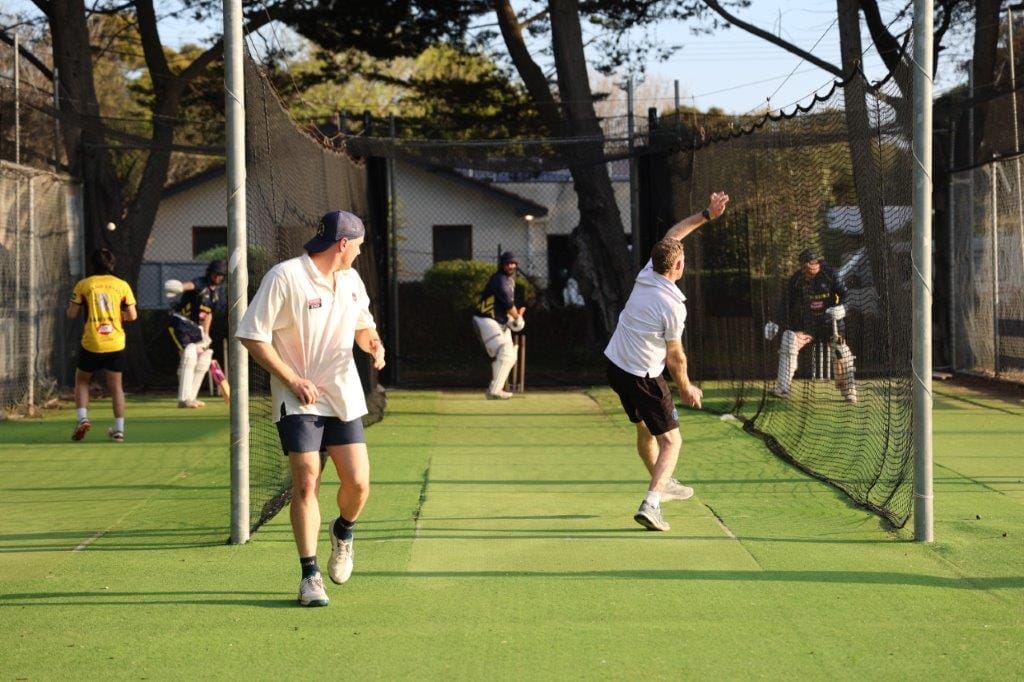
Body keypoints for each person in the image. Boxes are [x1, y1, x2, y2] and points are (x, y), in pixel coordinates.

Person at [236, 210, 385, 608]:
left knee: (358, 483)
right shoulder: (285, 277)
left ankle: (344, 531)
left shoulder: (351, 280)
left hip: (344, 397)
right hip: (297, 398)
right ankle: (309, 575)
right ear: (343, 244)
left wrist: (373, 343)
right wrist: (292, 379)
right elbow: (252, 335)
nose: (359, 250)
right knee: (306, 481)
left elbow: (362, 324)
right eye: (358, 244)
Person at [605, 192, 729, 532]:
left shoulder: (648, 272)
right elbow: (676, 357)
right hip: (643, 376)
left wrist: (706, 214)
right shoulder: (673, 305)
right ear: (677, 266)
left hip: (615, 365)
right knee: (672, 441)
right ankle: (652, 503)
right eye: (682, 259)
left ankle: (664, 481)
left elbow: (674, 235)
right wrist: (687, 388)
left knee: (644, 429)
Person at [763, 249, 857, 402]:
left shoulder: (831, 275)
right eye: (803, 267)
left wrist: (843, 308)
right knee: (788, 339)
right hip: (808, 326)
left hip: (830, 325)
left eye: (809, 267)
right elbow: (786, 304)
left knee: (843, 352)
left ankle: (849, 392)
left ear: (817, 263)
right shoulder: (797, 279)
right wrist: (775, 322)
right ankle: (782, 388)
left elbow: (847, 295)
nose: (806, 271)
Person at [66, 248, 138, 443]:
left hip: (92, 342)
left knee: (82, 381)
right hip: (115, 342)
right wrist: (116, 316)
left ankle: (82, 419)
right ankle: (119, 430)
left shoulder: (84, 285)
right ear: (112, 264)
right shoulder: (122, 285)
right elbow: (132, 316)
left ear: (92, 265)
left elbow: (71, 314)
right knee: (116, 387)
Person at [163, 260, 227, 408]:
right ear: (210, 272)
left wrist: (205, 335)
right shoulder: (201, 283)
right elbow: (189, 285)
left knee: (205, 356)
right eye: (216, 274)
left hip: (195, 329)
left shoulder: (215, 294)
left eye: (221, 275)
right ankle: (184, 399)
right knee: (190, 354)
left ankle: (191, 397)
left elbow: (208, 315)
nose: (218, 277)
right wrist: (179, 287)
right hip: (179, 322)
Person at [473, 251, 525, 400]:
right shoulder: (500, 281)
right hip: (485, 320)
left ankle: (495, 389)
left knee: (510, 356)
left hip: (498, 321)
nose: (511, 266)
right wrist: (518, 318)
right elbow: (509, 305)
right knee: (507, 352)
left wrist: (511, 321)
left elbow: (501, 308)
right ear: (502, 265)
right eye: (508, 263)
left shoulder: (509, 281)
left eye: (513, 263)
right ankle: (495, 390)